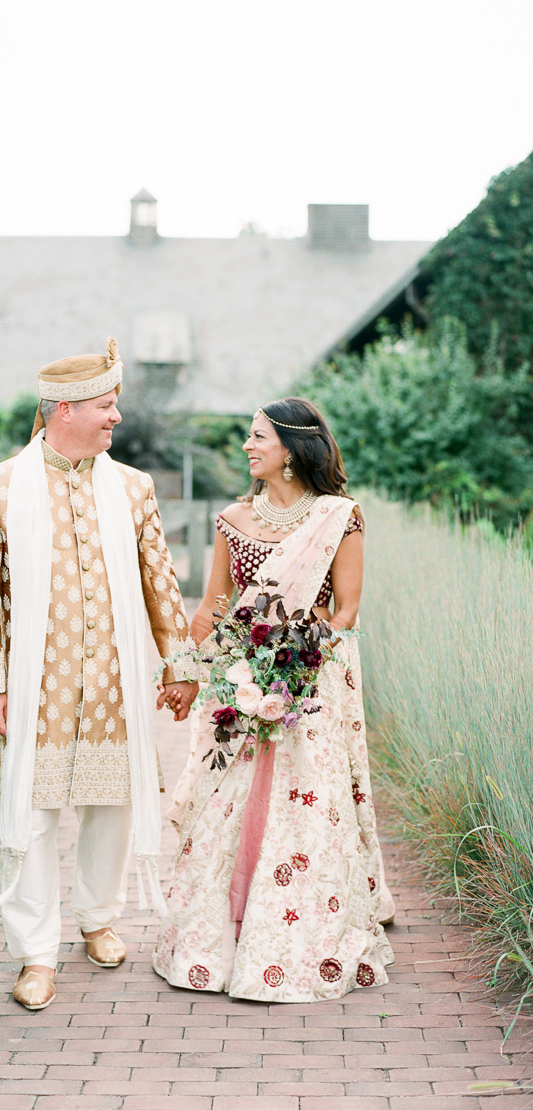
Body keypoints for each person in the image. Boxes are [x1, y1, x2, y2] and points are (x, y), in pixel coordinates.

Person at [0, 338, 198, 1011]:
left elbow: (160, 581)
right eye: (105, 404)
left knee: (110, 805)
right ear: (65, 409)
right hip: (39, 684)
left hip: (116, 680)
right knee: (34, 813)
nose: (115, 416)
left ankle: (98, 919)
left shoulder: (132, 486)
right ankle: (35, 953)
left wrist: (179, 665)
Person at [153, 397, 395, 1002]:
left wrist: (296, 667)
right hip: (237, 682)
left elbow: (344, 613)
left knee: (302, 804)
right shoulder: (234, 517)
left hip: (309, 688)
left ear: (291, 447)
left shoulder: (339, 517)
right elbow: (211, 607)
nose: (247, 446)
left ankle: (294, 939)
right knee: (225, 801)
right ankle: (218, 938)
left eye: (258, 436)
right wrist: (183, 669)